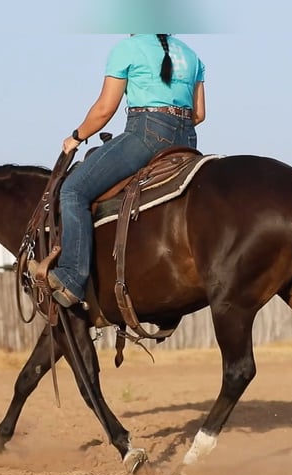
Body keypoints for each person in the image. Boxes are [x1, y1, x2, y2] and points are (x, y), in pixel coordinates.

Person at [47, 34, 206, 308]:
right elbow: (199, 114)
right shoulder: (192, 55)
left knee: (74, 190)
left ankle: (72, 278)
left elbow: (104, 109)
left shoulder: (127, 49)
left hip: (146, 133)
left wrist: (76, 136)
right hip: (187, 140)